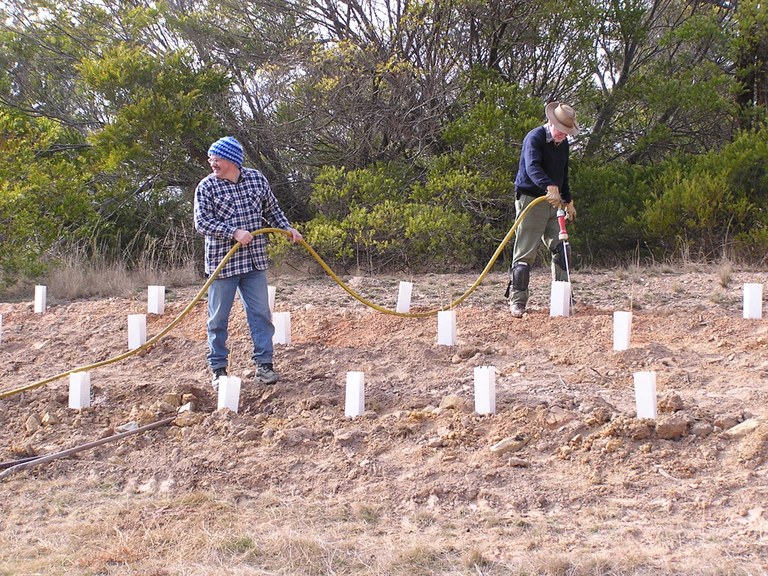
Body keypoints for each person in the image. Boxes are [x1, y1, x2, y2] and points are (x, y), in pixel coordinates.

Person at [194, 136, 303, 387]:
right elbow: (202, 222)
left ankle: (264, 366)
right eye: (211, 159)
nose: (213, 163)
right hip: (223, 265)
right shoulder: (207, 187)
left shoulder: (256, 179)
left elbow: (272, 210)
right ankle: (218, 370)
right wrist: (233, 232)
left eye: (217, 159)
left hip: (253, 264)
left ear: (232, 160)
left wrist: (287, 229)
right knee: (218, 319)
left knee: (260, 315)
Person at [506, 102, 579, 318]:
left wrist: (568, 200)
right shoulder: (535, 137)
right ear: (551, 122)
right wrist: (549, 187)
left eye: (567, 133)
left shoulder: (563, 144)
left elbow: (562, 174)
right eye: (560, 131)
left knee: (562, 248)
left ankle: (563, 297)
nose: (563, 136)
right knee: (525, 253)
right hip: (531, 199)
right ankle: (517, 301)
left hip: (554, 201)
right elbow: (532, 167)